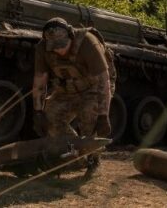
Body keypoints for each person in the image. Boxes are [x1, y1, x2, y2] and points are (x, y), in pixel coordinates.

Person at [32, 17, 114, 172]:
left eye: (62, 45)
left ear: (70, 35)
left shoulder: (88, 43)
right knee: (50, 117)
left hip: (94, 87)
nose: (59, 50)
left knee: (89, 116)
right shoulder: (43, 49)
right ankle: (76, 156)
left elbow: (104, 81)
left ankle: (93, 158)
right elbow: (39, 82)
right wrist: (37, 111)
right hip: (68, 88)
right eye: (54, 47)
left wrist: (104, 115)